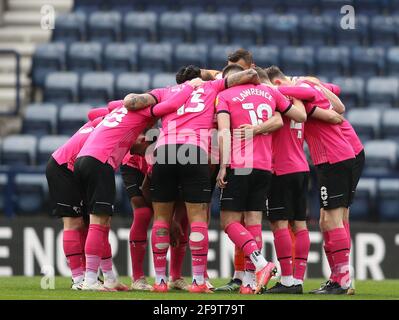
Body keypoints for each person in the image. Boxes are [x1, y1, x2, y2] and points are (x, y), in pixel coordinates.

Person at [74, 79, 202, 291]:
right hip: (102, 161)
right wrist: (190, 86)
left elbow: (94, 113)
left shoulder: (120, 111)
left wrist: (126, 102)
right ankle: (90, 280)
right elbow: (170, 105)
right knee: (100, 221)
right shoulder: (144, 113)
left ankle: (103, 278)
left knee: (100, 222)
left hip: (83, 159)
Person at [142, 67, 261, 293]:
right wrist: (208, 75)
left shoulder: (165, 91)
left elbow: (138, 103)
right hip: (195, 150)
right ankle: (198, 281)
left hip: (164, 150)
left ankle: (159, 281)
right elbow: (251, 75)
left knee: (161, 219)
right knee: (197, 219)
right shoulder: (210, 87)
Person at [216, 65, 307, 294]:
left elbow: (224, 132)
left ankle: (260, 263)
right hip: (265, 166)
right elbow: (297, 116)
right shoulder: (271, 93)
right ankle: (249, 283)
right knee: (253, 221)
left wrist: (223, 166)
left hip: (240, 164)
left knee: (229, 222)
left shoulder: (225, 95)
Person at [267, 66, 356, 294]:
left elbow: (309, 94)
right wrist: (315, 84)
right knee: (326, 220)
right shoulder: (304, 92)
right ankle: (339, 278)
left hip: (333, 159)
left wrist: (272, 88)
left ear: (276, 84)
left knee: (332, 221)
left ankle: (343, 281)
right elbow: (334, 93)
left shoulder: (299, 90)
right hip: (332, 159)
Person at [46, 107, 110, 290]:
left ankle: (88, 275)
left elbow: (92, 113)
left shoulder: (103, 121)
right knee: (74, 223)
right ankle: (78, 279)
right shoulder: (108, 124)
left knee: (88, 224)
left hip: (77, 168)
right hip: (64, 167)